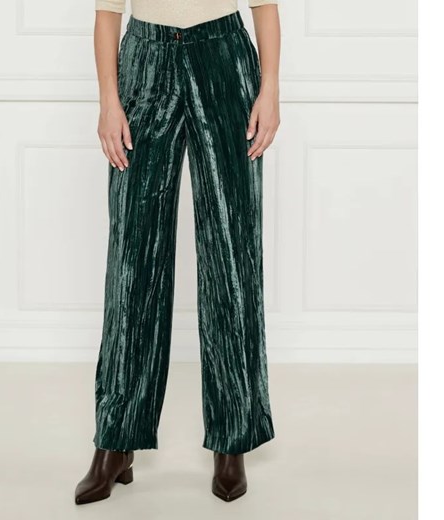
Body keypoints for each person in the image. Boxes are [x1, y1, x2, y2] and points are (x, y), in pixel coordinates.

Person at [75, 0, 281, 504]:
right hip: (145, 63)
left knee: (231, 254)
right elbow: (106, 13)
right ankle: (116, 440)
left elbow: (265, 4)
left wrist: (270, 88)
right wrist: (109, 101)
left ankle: (232, 439)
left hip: (224, 59)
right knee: (132, 260)